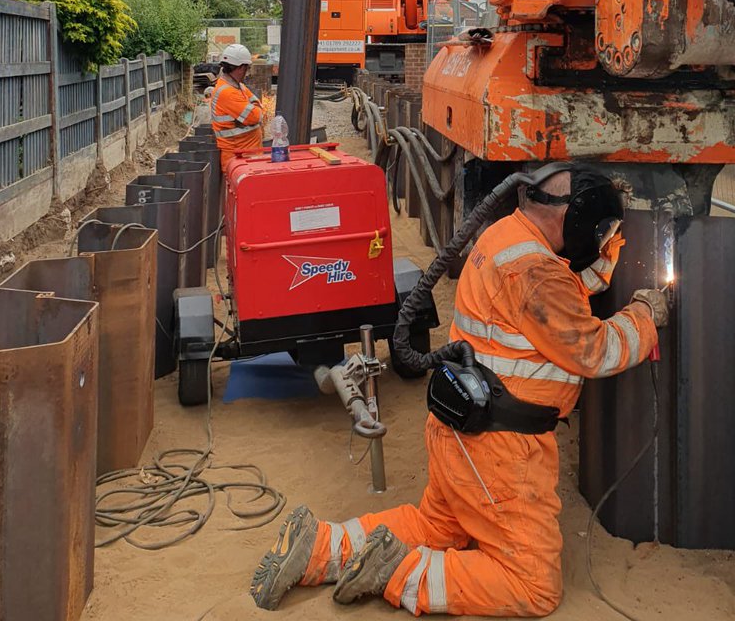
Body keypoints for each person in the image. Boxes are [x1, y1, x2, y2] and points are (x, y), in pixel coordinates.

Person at [250, 165, 669, 616]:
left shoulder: (506, 240)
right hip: (501, 451)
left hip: (459, 433)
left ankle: (320, 546)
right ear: (574, 217)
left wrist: (606, 254)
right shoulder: (536, 273)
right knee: (534, 586)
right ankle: (397, 571)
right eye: (596, 225)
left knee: (439, 525)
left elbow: (555, 296)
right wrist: (644, 316)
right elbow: (593, 350)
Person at [209, 43, 264, 172]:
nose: (247, 72)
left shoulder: (237, 86)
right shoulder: (228, 92)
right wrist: (255, 108)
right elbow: (257, 116)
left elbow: (257, 104)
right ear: (240, 68)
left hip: (245, 157)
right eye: (247, 68)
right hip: (238, 159)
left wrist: (255, 107)